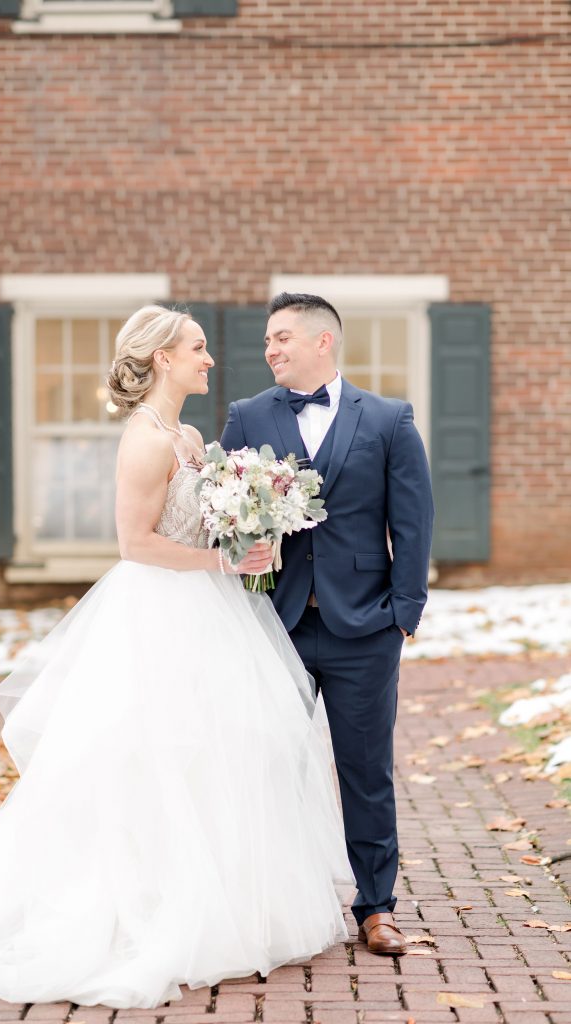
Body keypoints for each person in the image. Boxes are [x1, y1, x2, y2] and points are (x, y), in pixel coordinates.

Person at [0, 305, 353, 1011]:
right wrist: (218, 563)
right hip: (159, 614)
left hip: (210, 612)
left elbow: (208, 519)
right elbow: (134, 544)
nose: (209, 359)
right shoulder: (143, 441)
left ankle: (217, 898)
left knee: (221, 754)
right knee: (150, 757)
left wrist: (251, 537)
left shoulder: (189, 436)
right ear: (162, 357)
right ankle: (148, 905)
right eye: (197, 349)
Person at [221, 293, 434, 957]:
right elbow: (220, 516)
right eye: (265, 341)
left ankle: (376, 908)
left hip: (363, 629)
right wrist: (238, 557)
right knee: (268, 766)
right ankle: (274, 907)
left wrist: (403, 612)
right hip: (275, 625)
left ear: (323, 341)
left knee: (364, 771)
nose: (270, 350)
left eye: (281, 337)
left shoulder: (390, 419)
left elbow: (413, 520)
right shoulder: (247, 416)